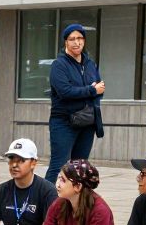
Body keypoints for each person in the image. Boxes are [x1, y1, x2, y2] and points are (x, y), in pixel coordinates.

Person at [45, 24, 105, 183]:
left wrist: (93, 91)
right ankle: (47, 202)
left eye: (79, 38)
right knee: (59, 165)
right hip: (64, 122)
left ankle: (75, 204)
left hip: (86, 122)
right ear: (66, 42)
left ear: (84, 41)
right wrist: (91, 91)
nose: (76, 42)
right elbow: (65, 92)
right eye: (72, 39)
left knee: (80, 167)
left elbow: (100, 88)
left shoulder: (90, 64)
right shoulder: (59, 65)